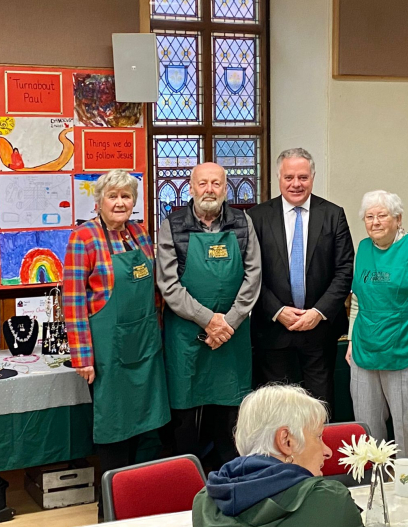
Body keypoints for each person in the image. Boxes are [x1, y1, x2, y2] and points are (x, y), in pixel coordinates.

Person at [63, 171, 170, 520]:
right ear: (99, 201)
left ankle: (140, 507)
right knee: (114, 432)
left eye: (127, 196)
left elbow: (155, 292)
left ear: (134, 201)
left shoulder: (140, 234)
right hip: (108, 353)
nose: (121, 203)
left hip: (145, 348)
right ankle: (110, 511)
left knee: (147, 430)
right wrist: (83, 357)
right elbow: (74, 300)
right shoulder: (84, 238)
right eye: (113, 197)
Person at [157, 162, 261, 467]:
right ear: (191, 188)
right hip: (187, 337)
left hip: (233, 335)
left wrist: (228, 322)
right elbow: (168, 284)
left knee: (229, 418)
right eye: (203, 184)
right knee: (184, 422)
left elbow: (254, 276)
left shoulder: (243, 223)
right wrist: (209, 320)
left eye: (216, 183)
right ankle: (183, 483)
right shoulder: (172, 225)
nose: (209, 190)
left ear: (225, 188)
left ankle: (227, 479)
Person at [346, 190, 408, 476]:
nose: (375, 222)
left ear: (398, 219)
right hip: (366, 350)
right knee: (366, 428)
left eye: (382, 216)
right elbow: (357, 300)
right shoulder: (363, 248)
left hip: (407, 350)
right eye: (369, 217)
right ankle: (374, 489)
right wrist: (352, 339)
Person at [248, 148, 354, 415]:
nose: (296, 183)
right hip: (272, 330)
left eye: (303, 177)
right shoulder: (257, 217)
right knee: (276, 408)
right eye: (289, 177)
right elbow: (250, 272)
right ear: (278, 178)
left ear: (313, 178)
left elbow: (345, 269)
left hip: (319, 330)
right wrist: (277, 310)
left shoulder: (333, 215)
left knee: (319, 405)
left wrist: (318, 313)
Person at [192, 384, 364, 527]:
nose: (328, 451)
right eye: (318, 437)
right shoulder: (331, 501)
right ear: (286, 441)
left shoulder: (204, 503)